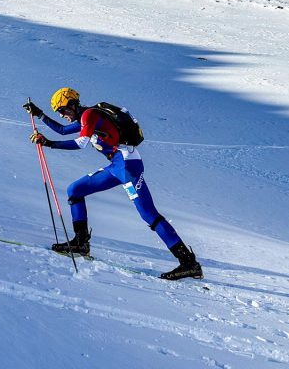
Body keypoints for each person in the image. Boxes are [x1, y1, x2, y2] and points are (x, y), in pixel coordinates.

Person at [24, 87, 202, 281]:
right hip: (116, 165)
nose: (62, 115)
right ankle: (80, 243)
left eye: (63, 110)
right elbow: (62, 130)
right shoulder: (84, 118)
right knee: (75, 190)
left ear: (73, 105)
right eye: (59, 112)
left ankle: (188, 263)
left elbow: (81, 143)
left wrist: (49, 144)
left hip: (128, 166)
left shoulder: (90, 115)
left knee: (148, 214)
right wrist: (39, 114)